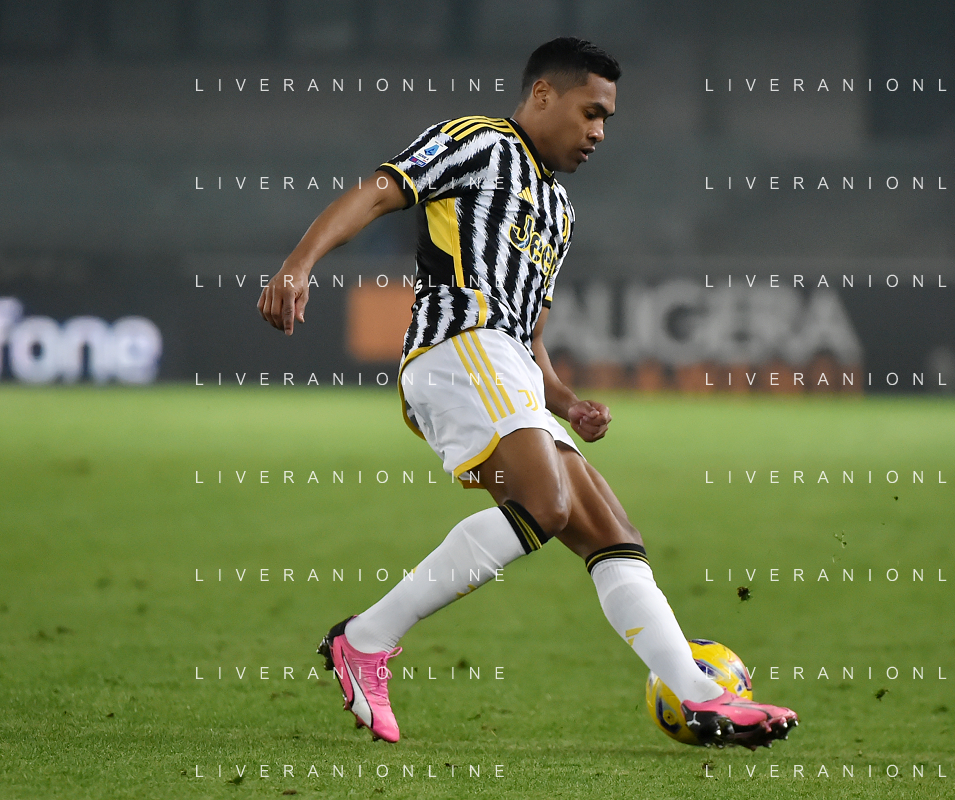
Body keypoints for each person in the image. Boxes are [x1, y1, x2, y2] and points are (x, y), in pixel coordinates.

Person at [257, 37, 796, 750]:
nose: (599, 132)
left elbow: (530, 335)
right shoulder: (480, 142)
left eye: (607, 120)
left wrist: (567, 403)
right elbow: (381, 190)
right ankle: (366, 639)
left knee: (612, 534)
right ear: (543, 94)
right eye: (590, 112)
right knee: (545, 505)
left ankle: (700, 697)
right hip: (459, 344)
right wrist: (299, 264)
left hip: (505, 359)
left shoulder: (559, 210)